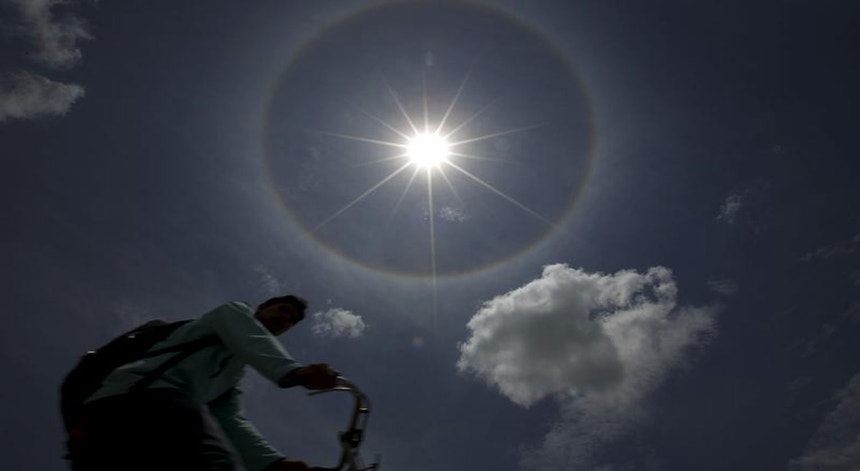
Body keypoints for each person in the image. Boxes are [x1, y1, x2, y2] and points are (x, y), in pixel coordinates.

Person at [68, 295, 338, 471]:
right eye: (283, 310)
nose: (285, 319)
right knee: (215, 461)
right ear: (262, 308)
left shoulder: (230, 379)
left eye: (291, 321)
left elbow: (232, 422)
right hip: (136, 399)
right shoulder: (233, 312)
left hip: (124, 427)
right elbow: (252, 339)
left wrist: (273, 464)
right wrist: (295, 373)